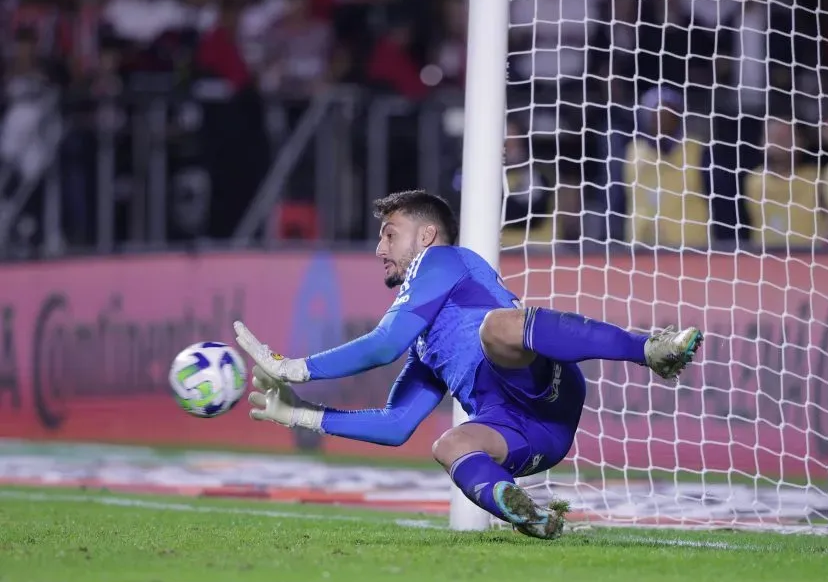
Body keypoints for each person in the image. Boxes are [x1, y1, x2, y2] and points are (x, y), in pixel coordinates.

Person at [234, 190, 704, 540]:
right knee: (449, 443)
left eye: (389, 235)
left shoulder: (443, 260)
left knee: (497, 329)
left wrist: (293, 367)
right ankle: (529, 514)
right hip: (535, 438)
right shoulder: (426, 345)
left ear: (426, 236)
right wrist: (297, 414)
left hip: (543, 387)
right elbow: (397, 426)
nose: (380, 249)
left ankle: (649, 350)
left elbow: (382, 345)